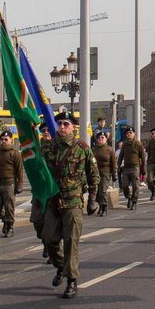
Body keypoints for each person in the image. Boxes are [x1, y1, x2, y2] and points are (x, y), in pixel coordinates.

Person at [41, 112, 98, 299]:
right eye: (59, 124)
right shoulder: (51, 148)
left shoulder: (82, 148)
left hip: (73, 201)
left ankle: (71, 281)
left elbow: (93, 174)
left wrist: (92, 199)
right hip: (54, 201)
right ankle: (60, 267)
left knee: (71, 242)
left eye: (66, 124)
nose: (62, 127)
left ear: (73, 127)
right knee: (48, 239)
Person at [0, 130, 23, 237]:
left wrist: (20, 185)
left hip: (10, 184)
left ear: (11, 140)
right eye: (1, 140)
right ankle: (4, 219)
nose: (3, 141)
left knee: (9, 207)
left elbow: (20, 171)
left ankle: (10, 227)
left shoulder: (15, 154)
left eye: (5, 139)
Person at [117, 126, 145, 209]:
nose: (129, 134)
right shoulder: (124, 143)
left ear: (134, 133)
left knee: (135, 186)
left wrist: (143, 169)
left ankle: (134, 201)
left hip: (135, 168)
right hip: (126, 168)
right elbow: (121, 155)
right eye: (127, 133)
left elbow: (142, 156)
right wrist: (118, 165)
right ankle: (129, 198)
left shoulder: (138, 143)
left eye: (130, 133)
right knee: (124, 186)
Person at [92, 131, 117, 217]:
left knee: (103, 190)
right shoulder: (94, 149)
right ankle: (100, 205)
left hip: (105, 172)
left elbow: (114, 163)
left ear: (106, 139)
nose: (100, 139)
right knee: (97, 192)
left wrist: (115, 174)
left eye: (103, 138)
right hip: (95, 172)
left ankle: (104, 207)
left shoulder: (109, 149)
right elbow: (90, 161)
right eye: (99, 138)